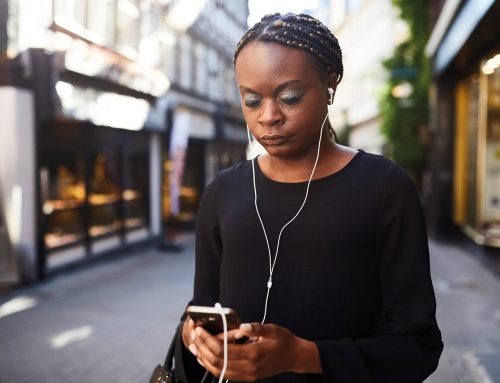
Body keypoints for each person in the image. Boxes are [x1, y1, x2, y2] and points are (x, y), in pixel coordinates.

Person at [178, 12, 443, 383]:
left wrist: (304, 356)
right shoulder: (223, 192)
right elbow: (201, 307)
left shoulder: (385, 188)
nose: (268, 116)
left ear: (329, 84)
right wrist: (193, 335)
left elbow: (417, 344)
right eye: (252, 100)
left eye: (289, 97)